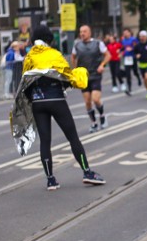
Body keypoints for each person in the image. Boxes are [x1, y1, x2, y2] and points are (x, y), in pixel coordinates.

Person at [11, 24, 105, 190]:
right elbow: (67, 77)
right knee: (72, 137)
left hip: (38, 103)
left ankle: (51, 180)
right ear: (49, 39)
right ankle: (87, 172)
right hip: (56, 100)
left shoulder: (29, 57)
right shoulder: (54, 54)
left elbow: (25, 82)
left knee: (45, 142)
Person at [71, 25, 110, 133]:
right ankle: (93, 123)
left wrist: (102, 65)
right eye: (80, 32)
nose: (82, 33)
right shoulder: (77, 45)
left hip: (96, 74)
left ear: (89, 32)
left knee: (96, 99)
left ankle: (102, 116)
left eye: (84, 31)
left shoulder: (98, 43)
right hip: (84, 77)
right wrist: (75, 70)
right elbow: (73, 57)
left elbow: (108, 55)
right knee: (88, 101)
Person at [134, 30, 147, 99]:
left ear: (146, 37)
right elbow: (135, 53)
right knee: (145, 80)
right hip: (141, 64)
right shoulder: (137, 45)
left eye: (143, 36)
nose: (142, 38)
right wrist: (137, 56)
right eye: (140, 36)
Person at [120, 28, 141, 95]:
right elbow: (123, 47)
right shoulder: (123, 40)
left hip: (133, 58)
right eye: (124, 32)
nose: (125, 34)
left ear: (129, 33)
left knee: (135, 71)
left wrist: (132, 48)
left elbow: (137, 47)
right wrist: (120, 51)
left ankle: (138, 78)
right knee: (128, 74)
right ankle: (129, 89)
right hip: (126, 59)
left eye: (126, 32)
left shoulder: (133, 39)